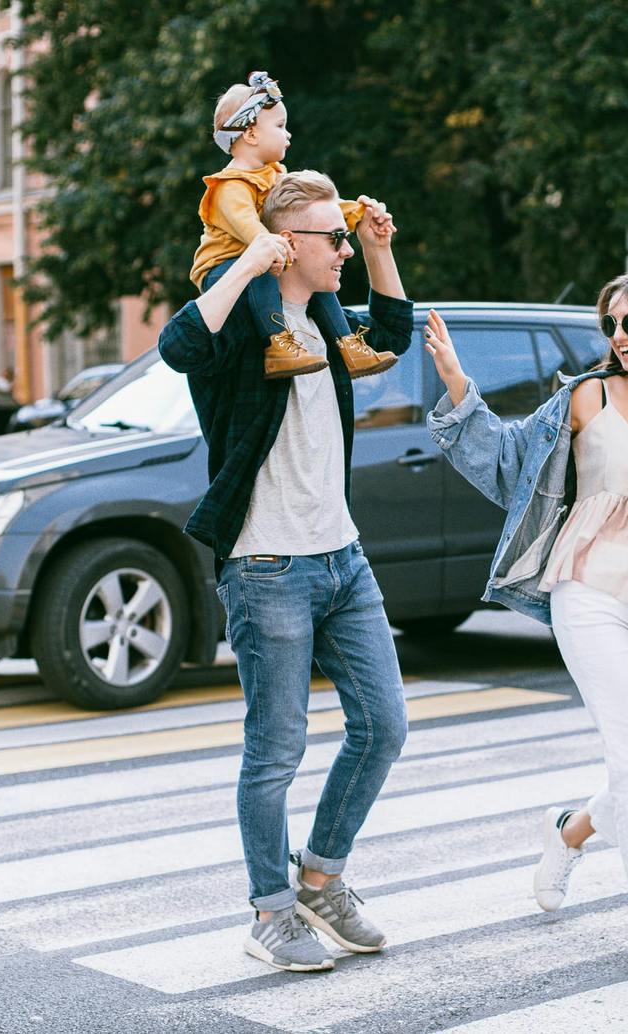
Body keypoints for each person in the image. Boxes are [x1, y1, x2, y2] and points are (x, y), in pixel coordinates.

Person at [423, 271, 628, 975]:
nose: (620, 338)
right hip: (587, 593)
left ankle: (571, 830)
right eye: (612, 325)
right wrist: (455, 387)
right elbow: (507, 465)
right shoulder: (585, 397)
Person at [158, 170, 412, 973]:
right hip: (267, 563)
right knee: (276, 751)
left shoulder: (329, 325)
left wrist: (377, 252)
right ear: (285, 244)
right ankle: (270, 911)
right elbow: (177, 347)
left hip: (342, 555)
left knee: (384, 727)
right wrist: (246, 262)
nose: (339, 247)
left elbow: (395, 334)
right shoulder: (246, 325)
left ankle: (321, 880)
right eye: (330, 237)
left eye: (343, 234)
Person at [190, 70, 396, 381]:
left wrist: (356, 213)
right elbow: (248, 226)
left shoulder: (275, 176)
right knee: (263, 271)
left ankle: (349, 346)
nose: (288, 134)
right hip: (223, 269)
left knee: (316, 274)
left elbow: (310, 209)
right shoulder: (228, 187)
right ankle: (277, 345)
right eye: (280, 126)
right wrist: (268, 247)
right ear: (251, 134)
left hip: (265, 255)